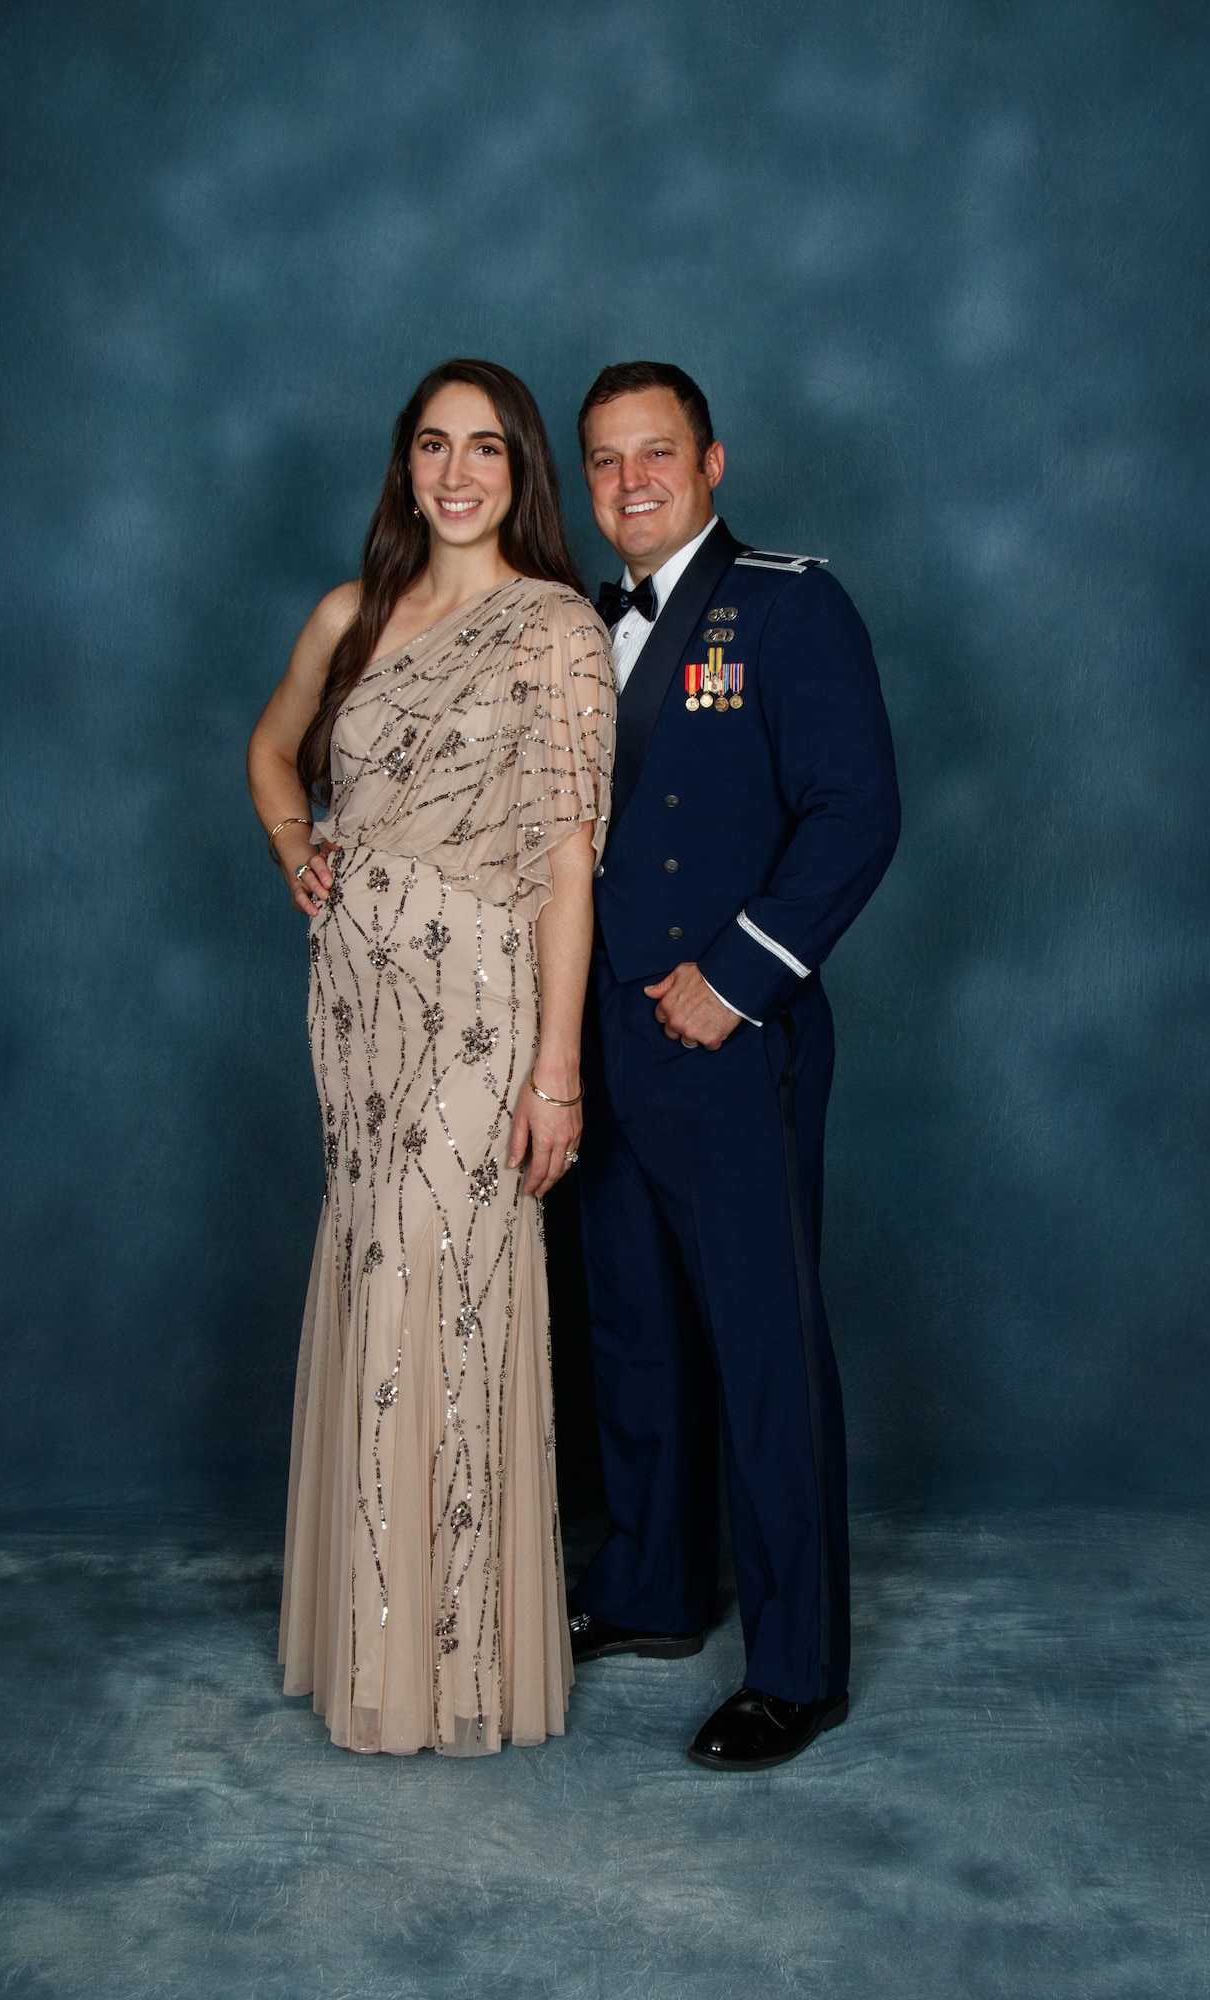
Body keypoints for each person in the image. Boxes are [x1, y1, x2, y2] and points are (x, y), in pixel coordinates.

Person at [246, 360, 615, 1756]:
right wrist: (297, 842)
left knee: (430, 1279)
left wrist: (556, 1069)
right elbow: (272, 754)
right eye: (429, 447)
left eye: (485, 451)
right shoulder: (352, 613)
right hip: (353, 1002)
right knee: (375, 1272)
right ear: (404, 465)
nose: (456, 474)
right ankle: (373, 1641)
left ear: (520, 472)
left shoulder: (555, 632)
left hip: (479, 1001)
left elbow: (569, 868)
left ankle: (449, 1658)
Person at [567, 361, 900, 1770]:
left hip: (727, 1037)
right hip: (596, 1037)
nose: (629, 483)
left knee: (762, 1349)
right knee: (632, 1328)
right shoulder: (580, 627)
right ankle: (650, 1587)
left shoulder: (784, 605)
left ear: (711, 462)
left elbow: (855, 810)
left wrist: (739, 977)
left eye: (655, 455)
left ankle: (796, 1663)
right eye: (602, 461)